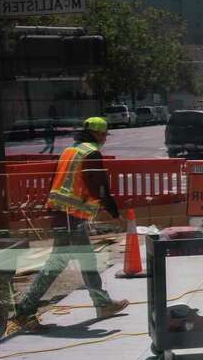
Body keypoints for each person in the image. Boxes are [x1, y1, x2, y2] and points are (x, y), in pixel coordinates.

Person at [12, 116, 129, 333]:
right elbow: (99, 188)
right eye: (104, 134)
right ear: (97, 133)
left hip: (62, 214)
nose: (104, 138)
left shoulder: (69, 151)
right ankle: (24, 310)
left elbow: (55, 180)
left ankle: (102, 304)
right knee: (61, 264)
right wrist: (114, 212)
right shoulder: (91, 153)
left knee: (82, 261)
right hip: (71, 217)